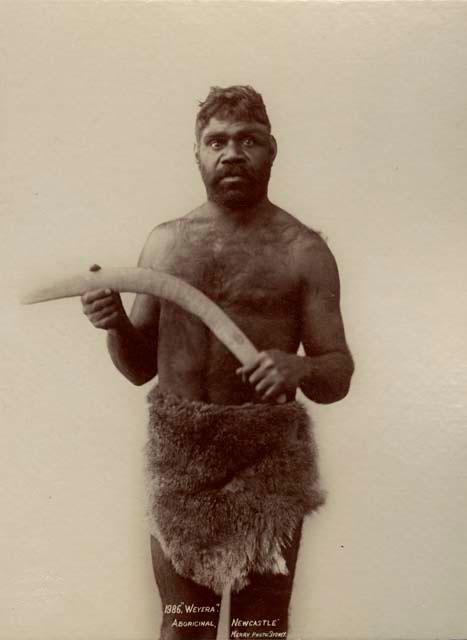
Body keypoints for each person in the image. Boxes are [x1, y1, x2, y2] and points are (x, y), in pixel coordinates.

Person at [81, 86, 354, 640]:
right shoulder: (165, 246)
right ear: (198, 154)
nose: (232, 153)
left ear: (271, 151)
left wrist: (298, 368)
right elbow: (138, 369)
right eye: (217, 141)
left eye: (248, 141)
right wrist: (114, 324)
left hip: (268, 463)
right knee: (186, 627)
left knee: (260, 630)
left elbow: (337, 373)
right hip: (181, 459)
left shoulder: (303, 251)